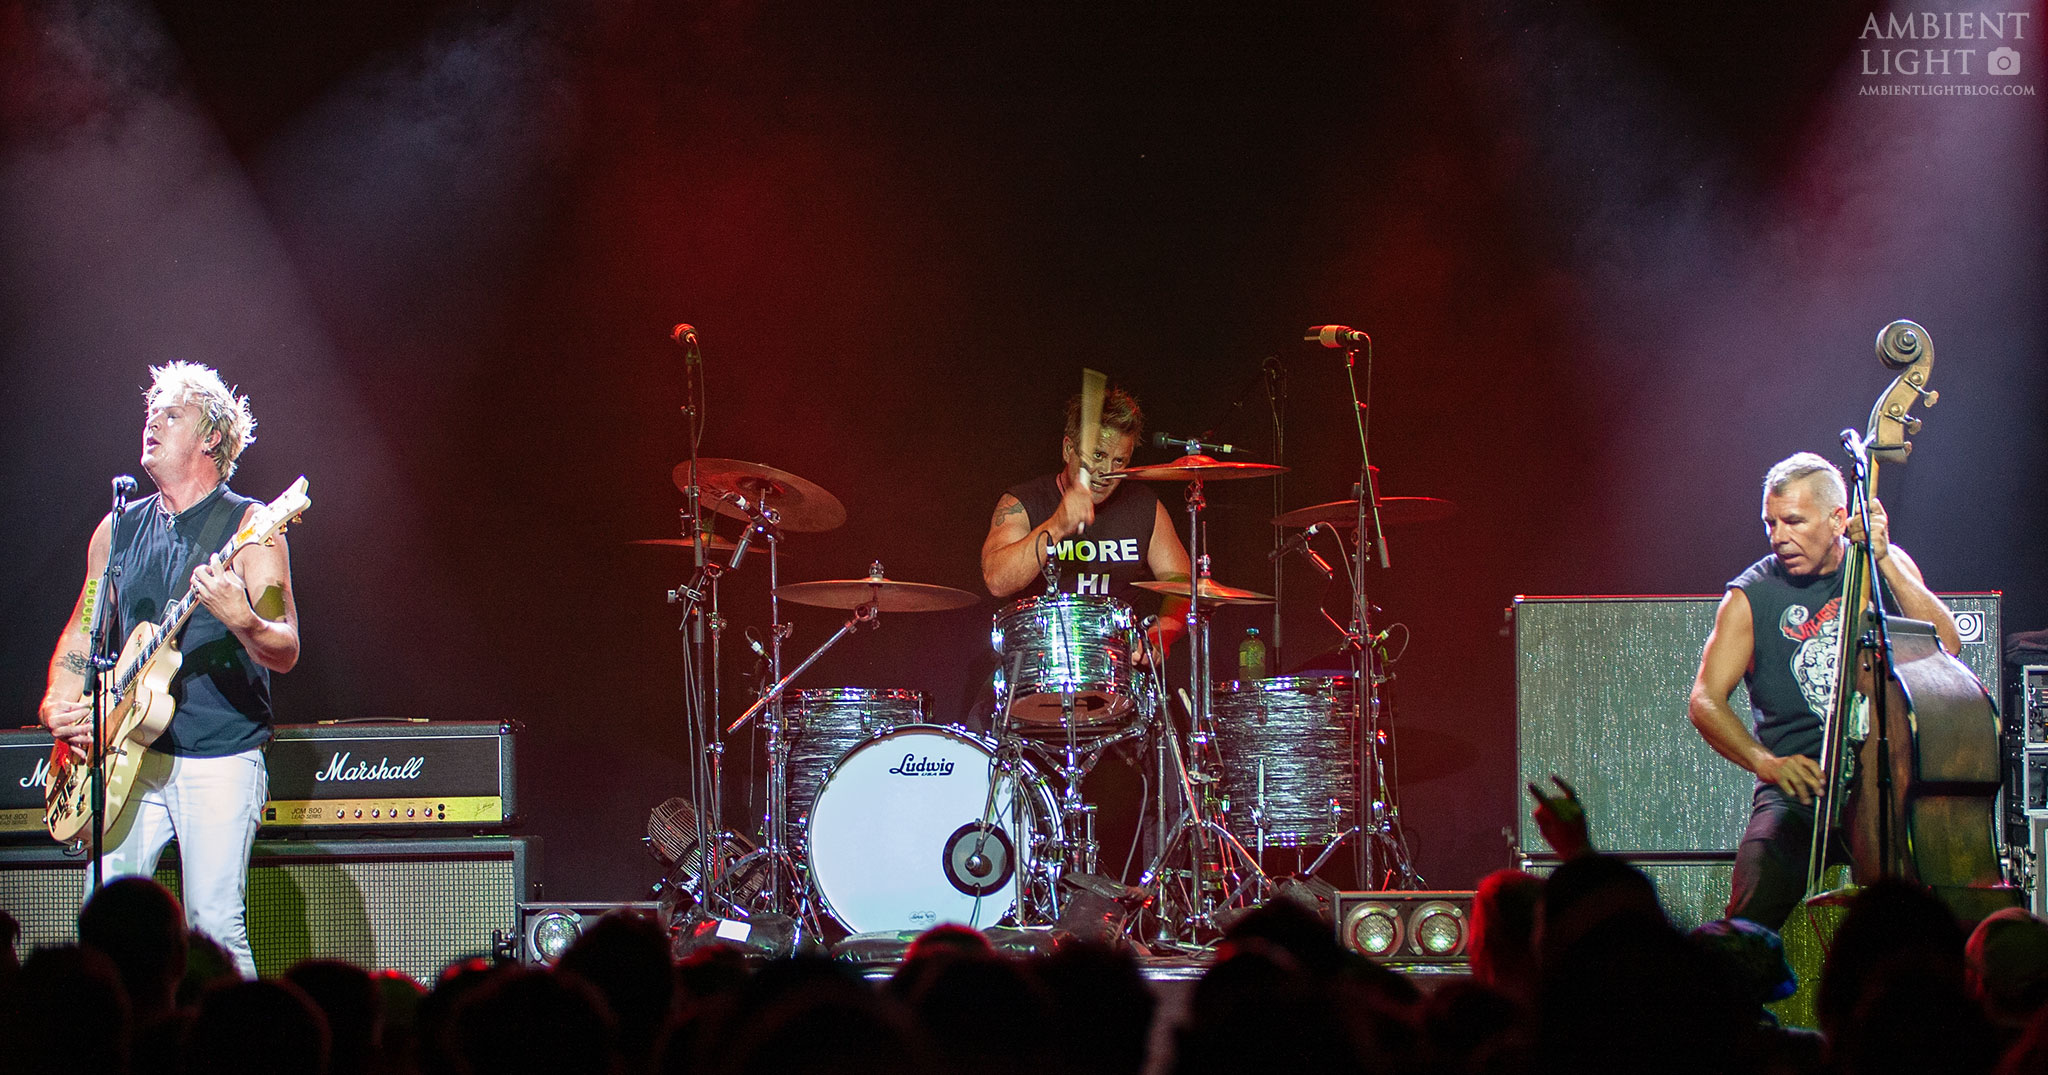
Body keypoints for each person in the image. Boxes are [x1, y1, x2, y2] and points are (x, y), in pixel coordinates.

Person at [39, 361, 299, 980]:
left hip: (218, 753)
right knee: (105, 925)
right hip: (124, 753)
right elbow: (82, 630)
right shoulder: (117, 529)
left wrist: (245, 620)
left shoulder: (251, 528)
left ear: (210, 435)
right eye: (150, 413)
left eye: (171, 414)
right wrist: (58, 708)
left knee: (213, 923)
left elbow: (284, 647)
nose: (151, 422)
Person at [1687, 452, 1958, 930]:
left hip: (1885, 784)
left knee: (1930, 918)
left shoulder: (1880, 567)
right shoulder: (1751, 595)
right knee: (1747, 917)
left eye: (1793, 521)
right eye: (1770, 523)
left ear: (1838, 519)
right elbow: (1705, 700)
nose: (1778, 537)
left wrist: (1886, 562)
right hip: (1799, 791)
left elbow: (1947, 647)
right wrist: (1767, 763)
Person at [980, 386, 1191, 653]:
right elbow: (997, 580)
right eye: (1098, 456)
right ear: (1068, 449)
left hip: (1118, 670)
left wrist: (1162, 635)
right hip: (1040, 666)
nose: (1106, 472)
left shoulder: (1144, 506)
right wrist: (1056, 525)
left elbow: (1182, 585)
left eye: (1119, 461)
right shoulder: (1022, 502)